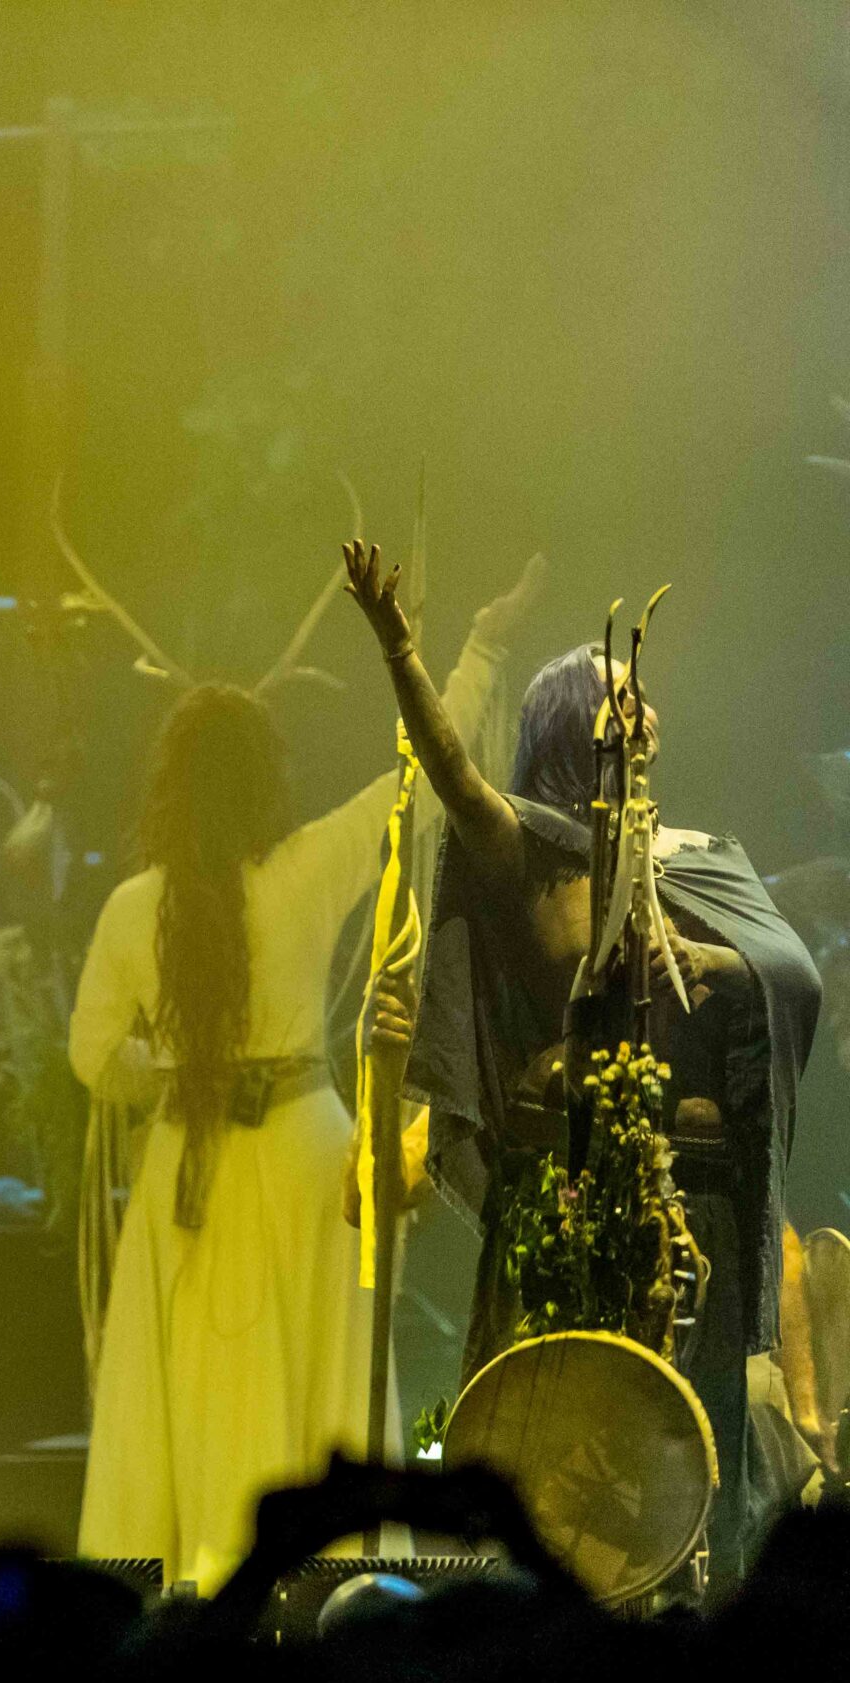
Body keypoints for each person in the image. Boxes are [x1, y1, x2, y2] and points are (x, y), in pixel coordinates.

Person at [345, 538, 823, 1572]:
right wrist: (400, 653)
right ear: (571, 725)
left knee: (691, 1482)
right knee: (563, 1486)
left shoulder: (706, 862)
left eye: (643, 696)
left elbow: (792, 975)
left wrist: (709, 960)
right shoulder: (533, 853)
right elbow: (456, 779)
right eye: (617, 694)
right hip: (568, 1206)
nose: (642, 709)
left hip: (695, 1210)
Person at [69, 562, 532, 1588]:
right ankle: (326, 1594)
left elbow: (92, 1056)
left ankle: (199, 1591)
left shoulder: (132, 909)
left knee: (198, 1389)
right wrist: (479, 649)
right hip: (303, 1162)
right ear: (261, 779)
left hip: (192, 1173)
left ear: (170, 786)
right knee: (311, 1393)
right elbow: (419, 780)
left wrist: (177, 1080)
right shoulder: (308, 866)